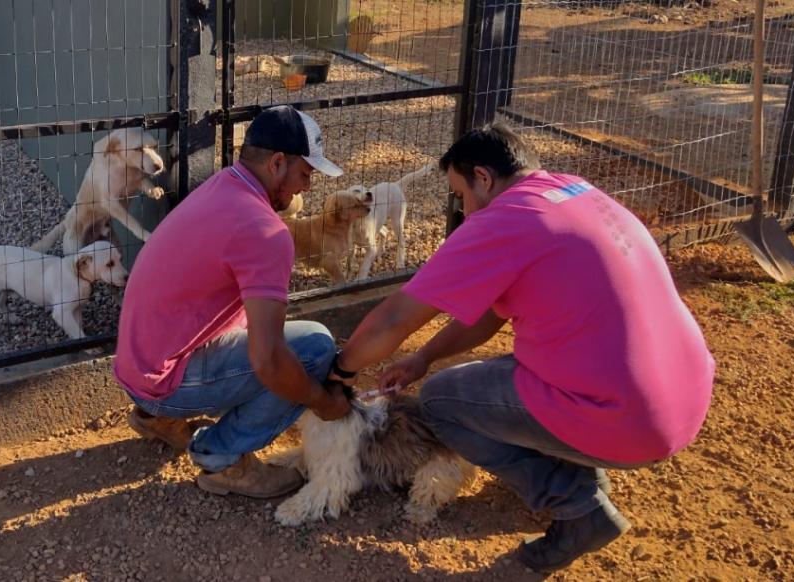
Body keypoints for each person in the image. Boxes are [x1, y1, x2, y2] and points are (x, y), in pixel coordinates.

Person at [328, 122, 715, 572]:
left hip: (629, 423)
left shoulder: (502, 221)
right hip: (683, 403)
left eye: (461, 195)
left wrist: (341, 371)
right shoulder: (575, 191)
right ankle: (579, 458)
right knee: (510, 368)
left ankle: (579, 506)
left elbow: (396, 317)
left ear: (484, 178)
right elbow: (489, 316)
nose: (465, 210)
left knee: (440, 400)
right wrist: (424, 356)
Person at [113, 105, 351, 499]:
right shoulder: (266, 232)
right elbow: (269, 360)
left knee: (264, 335)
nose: (306, 188)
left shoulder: (225, 185)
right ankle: (222, 459)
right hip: (166, 380)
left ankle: (154, 417)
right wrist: (322, 401)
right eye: (305, 174)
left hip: (139, 366)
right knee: (315, 348)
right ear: (277, 163)